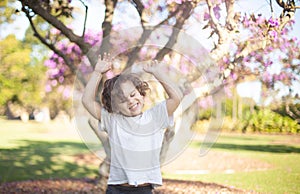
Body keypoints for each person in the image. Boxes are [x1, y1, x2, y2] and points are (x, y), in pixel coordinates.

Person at [82, 53, 183, 194]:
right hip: (116, 189)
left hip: (144, 189)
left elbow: (176, 97)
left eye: (133, 94)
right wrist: (98, 73)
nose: (130, 101)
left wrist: (158, 73)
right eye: (122, 100)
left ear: (141, 93)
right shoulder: (112, 120)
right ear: (115, 106)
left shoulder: (155, 117)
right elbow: (87, 101)